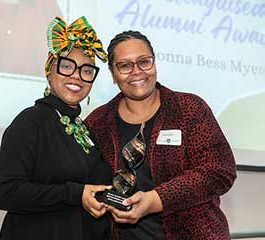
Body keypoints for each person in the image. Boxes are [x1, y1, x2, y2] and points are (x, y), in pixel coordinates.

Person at [85, 30, 237, 240]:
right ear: (112, 73)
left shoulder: (189, 109)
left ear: (154, 63)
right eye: (125, 65)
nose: (137, 71)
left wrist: (156, 199)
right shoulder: (97, 122)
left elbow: (219, 171)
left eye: (144, 61)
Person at [0, 16, 112, 240]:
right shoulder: (30, 122)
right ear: (49, 71)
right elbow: (5, 193)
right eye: (67, 66)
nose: (77, 75)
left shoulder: (85, 130)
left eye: (87, 70)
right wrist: (75, 194)